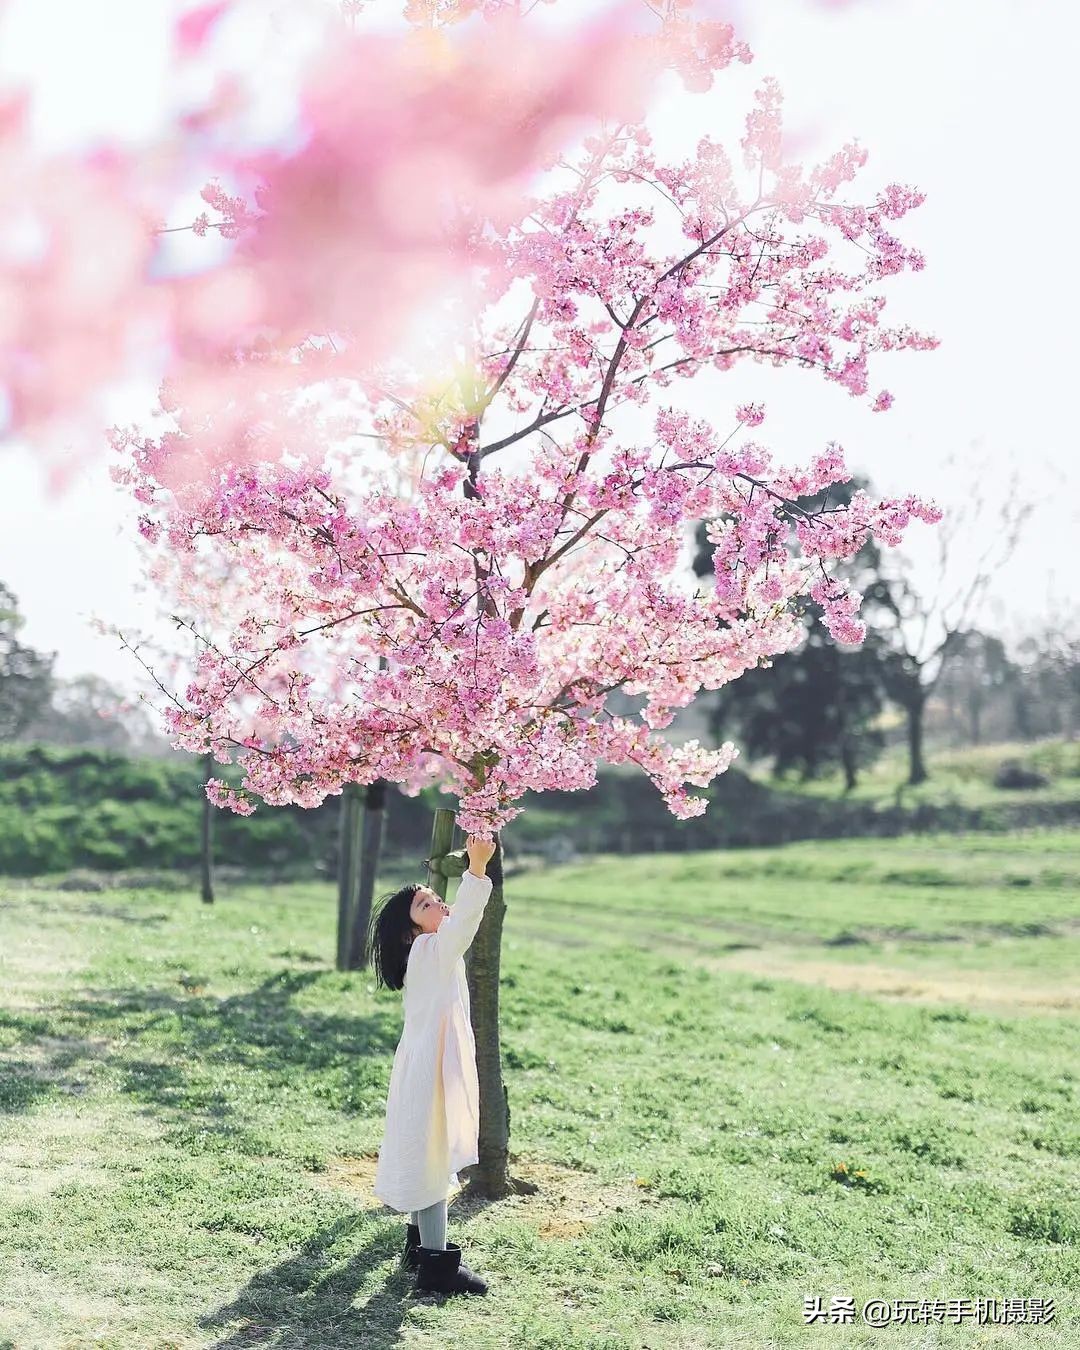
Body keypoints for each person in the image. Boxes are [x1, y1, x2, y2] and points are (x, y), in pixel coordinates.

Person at [366, 830, 497, 1297]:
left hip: (423, 1065)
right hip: (430, 1071)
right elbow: (465, 924)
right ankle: (438, 1270)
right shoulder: (430, 951)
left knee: (428, 1156)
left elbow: (454, 924)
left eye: (436, 898)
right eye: (426, 905)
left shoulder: (425, 952)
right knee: (434, 1160)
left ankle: (421, 1247)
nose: (439, 905)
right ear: (411, 931)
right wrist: (477, 869)